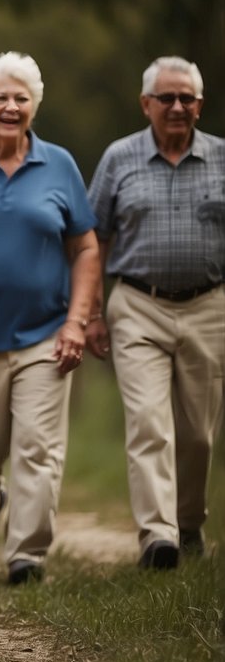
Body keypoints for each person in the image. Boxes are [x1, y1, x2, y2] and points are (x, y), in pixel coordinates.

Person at [0, 52, 99, 585]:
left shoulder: (59, 165)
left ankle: (26, 557)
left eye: (21, 98)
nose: (11, 106)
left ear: (34, 106)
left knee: (39, 448)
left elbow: (86, 248)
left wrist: (77, 321)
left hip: (44, 335)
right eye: (0, 98)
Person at [86, 56, 224, 569]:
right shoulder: (119, 159)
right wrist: (91, 313)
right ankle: (157, 536)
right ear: (146, 104)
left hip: (210, 306)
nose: (177, 106)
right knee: (149, 423)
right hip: (138, 305)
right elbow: (91, 237)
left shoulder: (222, 158)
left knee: (197, 433)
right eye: (166, 98)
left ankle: (188, 522)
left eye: (187, 98)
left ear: (200, 105)